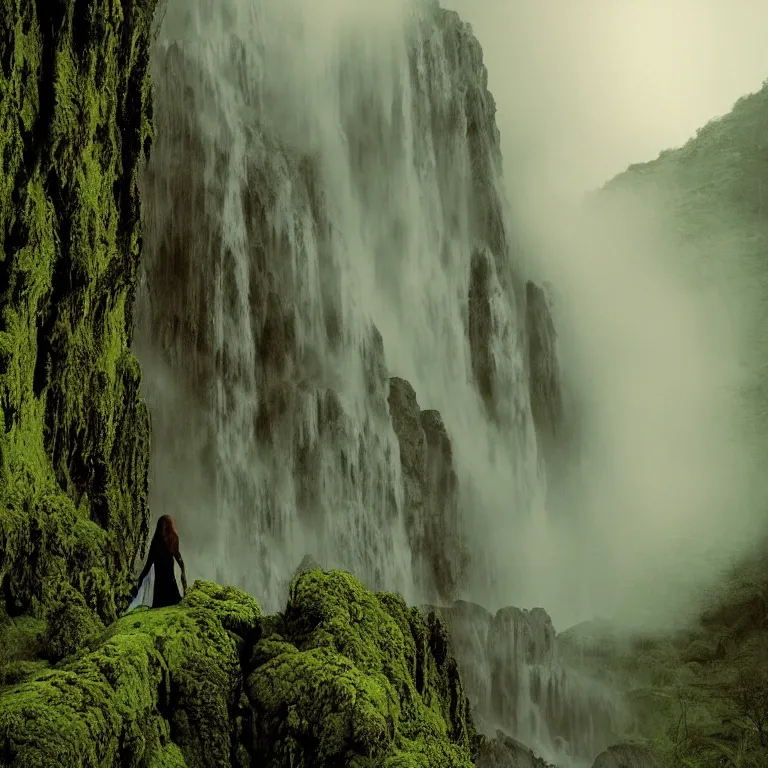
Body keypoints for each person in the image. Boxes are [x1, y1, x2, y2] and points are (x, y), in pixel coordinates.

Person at [133, 515, 188, 608]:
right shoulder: (172, 538)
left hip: (161, 583)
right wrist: (184, 580)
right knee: (173, 603)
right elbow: (179, 558)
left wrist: (140, 579)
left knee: (160, 605)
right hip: (168, 582)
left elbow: (149, 564)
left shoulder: (157, 541)